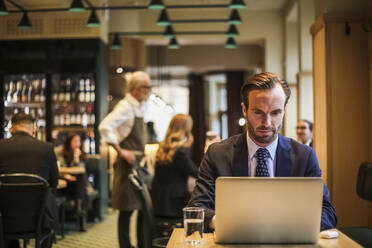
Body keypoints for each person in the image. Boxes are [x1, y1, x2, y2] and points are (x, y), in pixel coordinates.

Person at [188, 72, 337, 232]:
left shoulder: (304, 156)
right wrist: (228, 224)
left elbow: (328, 213)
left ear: (284, 110)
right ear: (244, 109)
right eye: (258, 112)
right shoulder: (217, 154)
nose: (267, 123)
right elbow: (197, 208)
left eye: (275, 113)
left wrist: (283, 226)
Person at [99, 71, 151, 248]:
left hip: (138, 164)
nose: (148, 91)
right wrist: (121, 151)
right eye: (146, 87)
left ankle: (142, 243)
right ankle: (125, 245)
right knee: (126, 209)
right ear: (137, 89)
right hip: (127, 164)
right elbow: (105, 127)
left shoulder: (138, 105)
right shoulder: (125, 106)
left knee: (142, 206)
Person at [0, 112, 59, 248]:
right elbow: (54, 183)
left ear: (11, 129)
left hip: (5, 218)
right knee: (49, 200)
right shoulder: (47, 148)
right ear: (34, 130)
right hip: (39, 219)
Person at [151, 114, 198, 218]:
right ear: (186, 129)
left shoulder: (163, 146)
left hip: (159, 200)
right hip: (174, 204)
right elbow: (197, 173)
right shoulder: (179, 151)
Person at [54, 133, 88, 231]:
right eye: (75, 141)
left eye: (79, 141)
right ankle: (80, 211)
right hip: (64, 180)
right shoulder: (60, 151)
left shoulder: (81, 153)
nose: (78, 144)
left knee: (79, 181)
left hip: (75, 184)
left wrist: (76, 158)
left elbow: (80, 169)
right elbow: (60, 167)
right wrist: (66, 175)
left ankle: (79, 208)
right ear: (69, 142)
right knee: (80, 185)